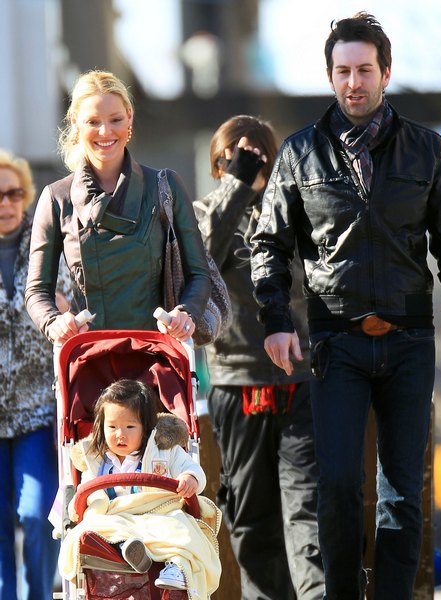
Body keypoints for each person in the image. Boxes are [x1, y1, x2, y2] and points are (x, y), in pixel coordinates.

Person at [251, 12, 441, 600]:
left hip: (407, 340)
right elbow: (268, 246)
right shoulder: (301, 154)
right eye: (342, 71)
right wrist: (277, 324)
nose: (353, 82)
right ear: (330, 77)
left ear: (386, 73)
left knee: (403, 491)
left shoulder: (426, 149)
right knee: (337, 486)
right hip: (336, 343)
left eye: (364, 70)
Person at [193, 115, 324, 600]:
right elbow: (199, 261)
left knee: (307, 509)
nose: (243, 163)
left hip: (298, 378)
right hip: (235, 382)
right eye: (231, 155)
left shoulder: (295, 211)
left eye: (255, 156)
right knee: (250, 517)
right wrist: (237, 186)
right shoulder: (203, 211)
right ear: (218, 163)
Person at [25, 69, 210, 344]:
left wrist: (186, 313)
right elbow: (37, 291)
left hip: (157, 353)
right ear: (75, 123)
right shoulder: (56, 197)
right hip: (89, 355)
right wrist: (53, 322)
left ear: (130, 118)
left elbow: (199, 273)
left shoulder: (166, 186)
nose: (105, 131)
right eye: (93, 121)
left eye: (115, 120)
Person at [59, 379, 221, 596]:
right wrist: (88, 503)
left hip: (156, 514)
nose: (120, 434)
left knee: (181, 528)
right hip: (116, 516)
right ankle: (127, 549)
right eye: (112, 427)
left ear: (145, 428)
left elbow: (191, 468)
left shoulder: (164, 451)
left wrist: (189, 477)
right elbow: (89, 492)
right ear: (101, 426)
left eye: (130, 426)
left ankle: (177, 567)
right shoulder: (95, 459)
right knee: (93, 528)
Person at [0, 149, 71, 600]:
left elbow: (70, 298)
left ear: (25, 197)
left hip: (36, 411)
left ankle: (39, 595)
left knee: (36, 512)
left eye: (13, 193)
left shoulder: (46, 244)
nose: (4, 203)